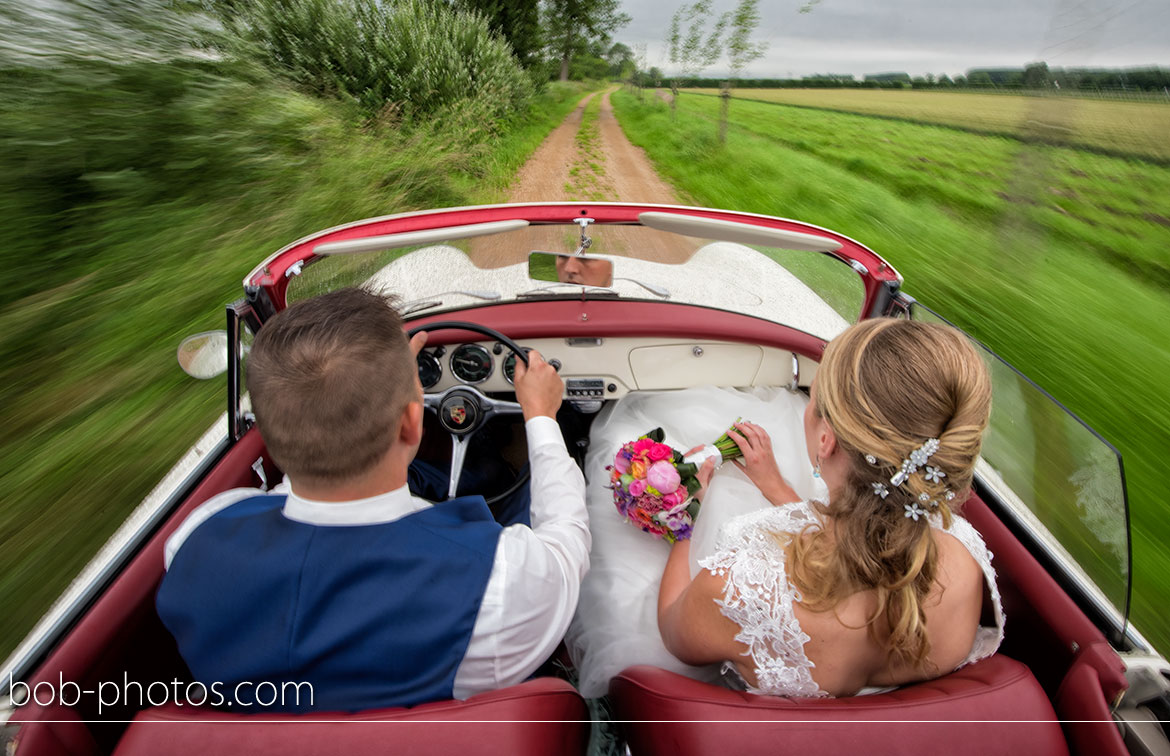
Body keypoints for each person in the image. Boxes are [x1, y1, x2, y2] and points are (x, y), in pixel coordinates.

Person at [156, 287, 588, 712]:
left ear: (268, 431)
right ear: (412, 424)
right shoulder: (503, 582)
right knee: (526, 485)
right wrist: (542, 417)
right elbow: (567, 542)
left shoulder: (194, 538)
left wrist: (364, 383)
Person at [566, 318, 1003, 698]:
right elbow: (863, 545)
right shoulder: (965, 560)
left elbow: (673, 631)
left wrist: (685, 517)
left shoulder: (740, 589)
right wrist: (776, 488)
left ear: (826, 440)